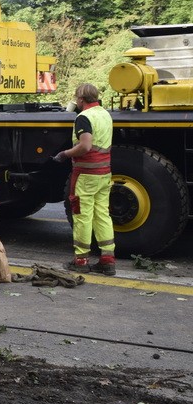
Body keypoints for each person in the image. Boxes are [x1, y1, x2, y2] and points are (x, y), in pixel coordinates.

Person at [54, 83, 115, 275]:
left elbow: (85, 146)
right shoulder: (105, 114)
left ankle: (81, 260)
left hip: (86, 174)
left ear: (81, 99)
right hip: (104, 173)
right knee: (102, 214)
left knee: (82, 216)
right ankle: (107, 260)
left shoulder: (84, 117)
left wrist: (65, 154)